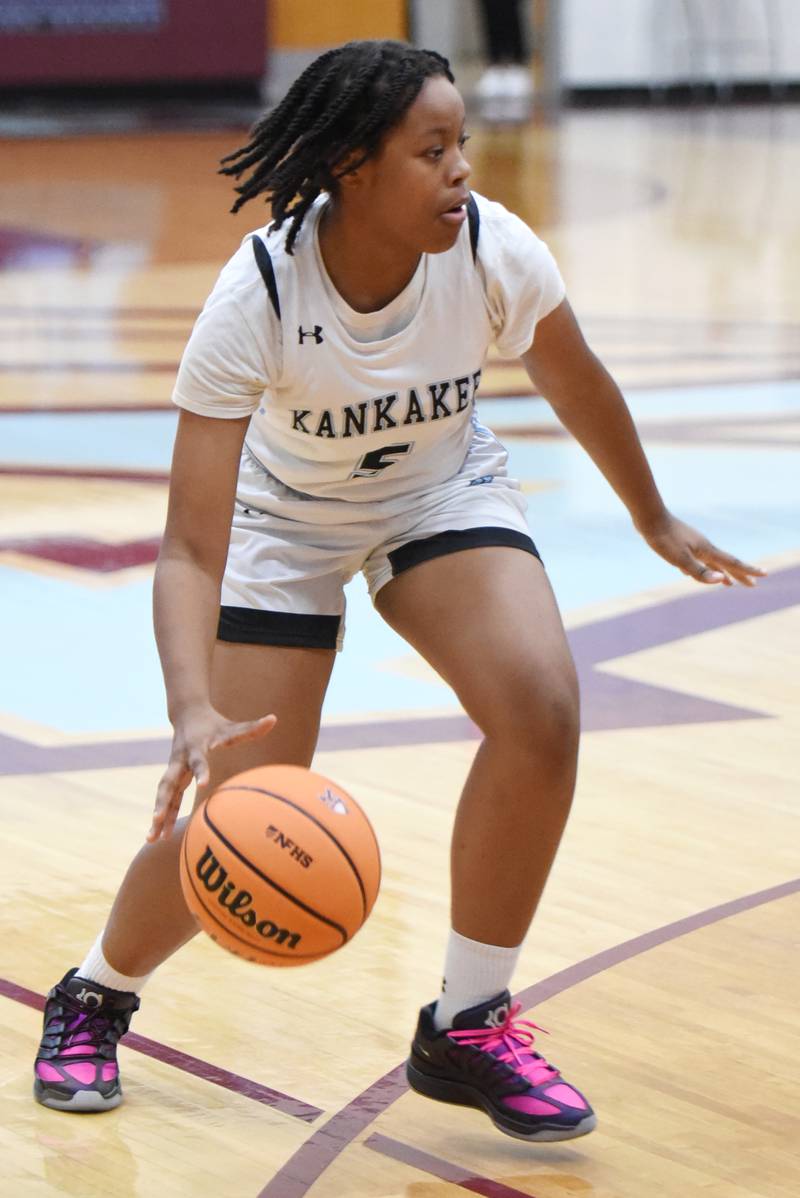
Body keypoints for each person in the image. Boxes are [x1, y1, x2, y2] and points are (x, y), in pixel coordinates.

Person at [33, 40, 763, 1141]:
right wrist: (190, 705)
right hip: (284, 528)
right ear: (350, 165)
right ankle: (93, 993)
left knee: (541, 709)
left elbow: (576, 380)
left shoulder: (489, 249)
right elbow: (189, 544)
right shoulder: (260, 293)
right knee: (245, 816)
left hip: (437, 492)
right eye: (433, 150)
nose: (463, 171)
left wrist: (650, 513)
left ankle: (466, 1022)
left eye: (462, 144)